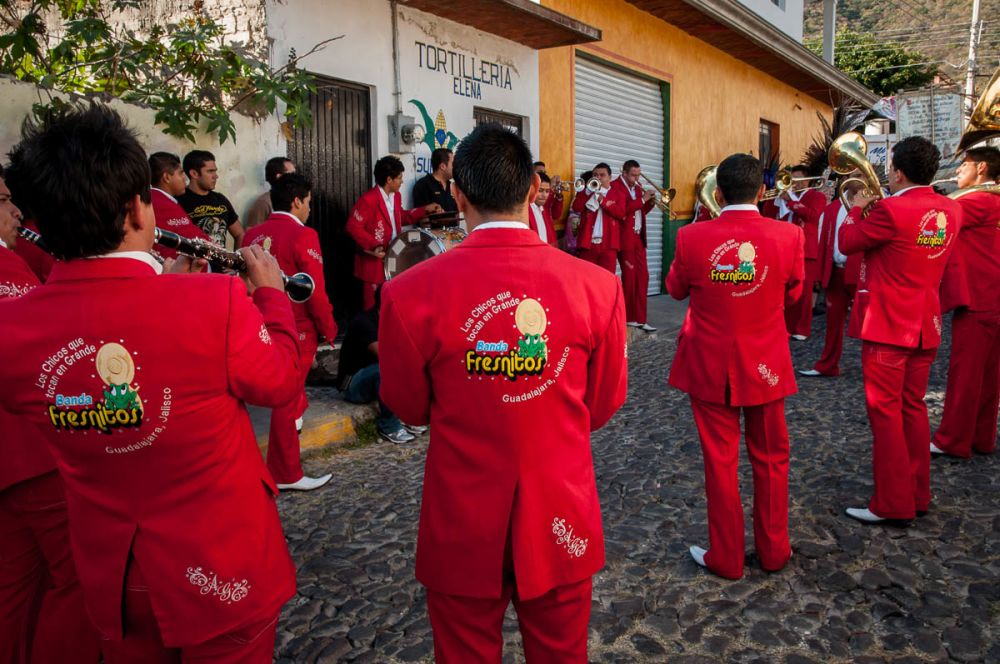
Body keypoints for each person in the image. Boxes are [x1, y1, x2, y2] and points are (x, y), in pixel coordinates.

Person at [0, 104, 302, 661]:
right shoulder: (216, 301)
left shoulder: (11, 328)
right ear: (139, 208)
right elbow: (280, 382)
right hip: (223, 570)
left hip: (113, 581)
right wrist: (272, 296)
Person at [380, 124, 627, 662]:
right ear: (533, 191)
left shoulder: (407, 291)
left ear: (459, 196)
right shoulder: (598, 286)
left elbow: (408, 406)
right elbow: (603, 404)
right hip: (560, 507)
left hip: (461, 515)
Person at [665, 152, 803, 580]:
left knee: (720, 461)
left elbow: (673, 290)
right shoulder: (789, 235)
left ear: (718, 193)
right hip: (766, 362)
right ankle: (775, 549)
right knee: (772, 457)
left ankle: (725, 555)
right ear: (762, 192)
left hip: (710, 363)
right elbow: (794, 295)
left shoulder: (693, 237)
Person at [0, 165, 100, 664]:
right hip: (28, 450)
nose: (14, 211)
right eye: (2, 200)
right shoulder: (6, 267)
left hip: (12, 458)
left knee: (15, 583)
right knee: (77, 579)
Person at [839, 136, 962, 524]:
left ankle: (892, 502)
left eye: (890, 169)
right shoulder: (951, 210)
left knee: (886, 415)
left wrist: (857, 209)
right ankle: (918, 493)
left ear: (899, 171)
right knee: (914, 409)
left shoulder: (890, 211)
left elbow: (847, 243)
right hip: (926, 322)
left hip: (889, 325)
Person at [243, 173, 336, 491]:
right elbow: (314, 290)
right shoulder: (303, 235)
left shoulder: (252, 235)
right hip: (296, 328)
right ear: (297, 201)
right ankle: (286, 473)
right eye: (308, 202)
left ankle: (288, 453)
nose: (309, 209)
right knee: (287, 397)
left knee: (290, 397)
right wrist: (329, 328)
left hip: (259, 321)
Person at [931, 146, 1000, 459]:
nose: (958, 169)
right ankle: (981, 438)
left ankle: (953, 440)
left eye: (965, 164)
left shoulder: (980, 200)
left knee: (965, 375)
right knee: (989, 376)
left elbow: (935, 217)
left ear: (982, 168)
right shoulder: (992, 200)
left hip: (979, 300)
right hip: (992, 298)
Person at [346, 156, 442, 310]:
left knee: (391, 306)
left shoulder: (396, 196)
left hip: (393, 259)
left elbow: (400, 217)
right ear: (389, 180)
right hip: (374, 263)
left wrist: (424, 210)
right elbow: (353, 226)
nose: (402, 181)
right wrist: (374, 245)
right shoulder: (368, 199)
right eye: (399, 178)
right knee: (373, 311)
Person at [799, 178, 864, 378]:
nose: (857, 177)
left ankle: (876, 367)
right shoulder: (834, 207)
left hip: (860, 273)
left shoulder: (874, 206)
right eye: (853, 172)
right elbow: (824, 239)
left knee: (866, 323)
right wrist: (820, 273)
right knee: (833, 324)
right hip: (836, 270)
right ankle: (827, 365)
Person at [335, 287, 415, 444]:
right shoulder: (364, 323)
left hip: (372, 379)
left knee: (412, 365)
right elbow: (385, 355)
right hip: (352, 384)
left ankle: (409, 416)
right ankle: (389, 426)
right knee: (388, 368)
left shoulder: (391, 321)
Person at [761, 164, 826, 340]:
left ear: (808, 180)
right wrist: (777, 196)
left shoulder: (816, 196)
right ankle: (785, 326)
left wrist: (790, 200)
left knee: (804, 292)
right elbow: (768, 215)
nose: (795, 183)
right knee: (784, 291)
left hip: (806, 249)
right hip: (783, 248)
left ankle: (802, 329)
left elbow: (811, 215)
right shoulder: (786, 197)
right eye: (793, 179)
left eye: (798, 179)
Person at [613, 160, 657, 332]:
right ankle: (629, 317)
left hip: (638, 238)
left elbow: (639, 211)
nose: (636, 178)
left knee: (643, 277)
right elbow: (622, 210)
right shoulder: (616, 187)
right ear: (624, 173)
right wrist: (642, 199)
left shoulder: (637, 188)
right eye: (633, 175)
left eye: (638, 175)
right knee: (630, 279)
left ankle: (641, 318)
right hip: (625, 239)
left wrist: (650, 203)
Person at [148, 152, 213, 260]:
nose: (185, 179)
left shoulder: (167, 201)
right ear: (167, 177)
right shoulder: (156, 202)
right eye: (180, 173)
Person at [177, 149, 245, 248]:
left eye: (215, 171)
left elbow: (240, 234)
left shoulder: (220, 200)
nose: (216, 176)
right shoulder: (179, 201)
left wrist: (236, 261)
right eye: (210, 171)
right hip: (193, 261)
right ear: (194, 174)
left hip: (220, 261)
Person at [571, 162, 626, 273]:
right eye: (595, 175)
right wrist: (587, 192)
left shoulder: (618, 194)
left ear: (609, 178)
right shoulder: (586, 192)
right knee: (587, 277)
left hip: (609, 245)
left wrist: (603, 200)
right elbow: (576, 208)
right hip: (587, 244)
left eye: (602, 175)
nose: (598, 177)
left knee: (607, 279)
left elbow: (621, 213)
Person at [245, 157, 296, 228]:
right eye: (292, 173)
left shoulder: (296, 199)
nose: (296, 177)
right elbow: (253, 234)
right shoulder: (264, 203)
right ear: (279, 177)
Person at [411, 148, 457, 213]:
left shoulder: (452, 186)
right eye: (453, 164)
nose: (456, 167)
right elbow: (421, 216)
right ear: (442, 166)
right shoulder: (423, 185)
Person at [528, 172, 558, 247]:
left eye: (547, 191)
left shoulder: (544, 209)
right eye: (540, 190)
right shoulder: (525, 211)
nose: (544, 195)